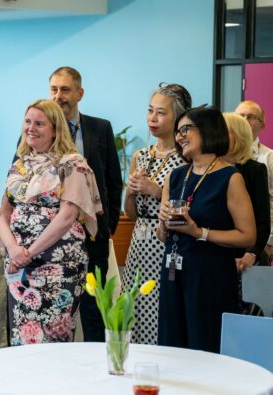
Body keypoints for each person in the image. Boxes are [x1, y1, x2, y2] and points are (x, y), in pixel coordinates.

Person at [0, 99, 102, 345]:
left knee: (53, 340)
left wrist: (29, 252)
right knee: (23, 337)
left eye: (39, 123)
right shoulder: (20, 165)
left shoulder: (72, 164)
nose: (31, 128)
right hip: (19, 267)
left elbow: (67, 216)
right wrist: (14, 251)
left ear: (56, 129)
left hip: (57, 266)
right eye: (27, 122)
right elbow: (3, 214)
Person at [157, 107, 255, 353]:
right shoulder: (175, 176)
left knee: (205, 344)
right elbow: (163, 235)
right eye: (178, 131)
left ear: (209, 130)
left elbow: (247, 235)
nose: (179, 137)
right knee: (172, 343)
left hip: (210, 275)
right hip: (173, 272)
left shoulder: (230, 177)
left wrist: (199, 232)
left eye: (186, 129)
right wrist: (163, 220)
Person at [49, 66, 122, 342]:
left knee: (94, 310)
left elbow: (114, 180)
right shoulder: (40, 129)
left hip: (94, 236)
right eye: (54, 89)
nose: (58, 96)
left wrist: (109, 225)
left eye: (65, 89)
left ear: (79, 93)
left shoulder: (100, 128)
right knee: (58, 312)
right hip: (53, 239)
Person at [122, 83, 191, 345]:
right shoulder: (141, 155)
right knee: (134, 307)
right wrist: (130, 193)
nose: (153, 118)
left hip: (166, 243)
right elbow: (130, 214)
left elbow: (188, 205)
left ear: (178, 118)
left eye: (161, 113)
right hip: (138, 242)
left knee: (161, 309)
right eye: (150, 111)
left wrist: (155, 189)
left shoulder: (185, 157)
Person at [223, 112, 270, 272]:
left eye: (224, 131)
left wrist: (253, 252)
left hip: (244, 257)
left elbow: (262, 219)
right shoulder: (208, 169)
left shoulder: (254, 170)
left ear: (238, 136)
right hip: (215, 253)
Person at [235, 100, 273, 264]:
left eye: (250, 117)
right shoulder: (221, 157)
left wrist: (269, 241)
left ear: (262, 125)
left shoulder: (269, 157)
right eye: (240, 116)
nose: (244, 120)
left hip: (260, 244)